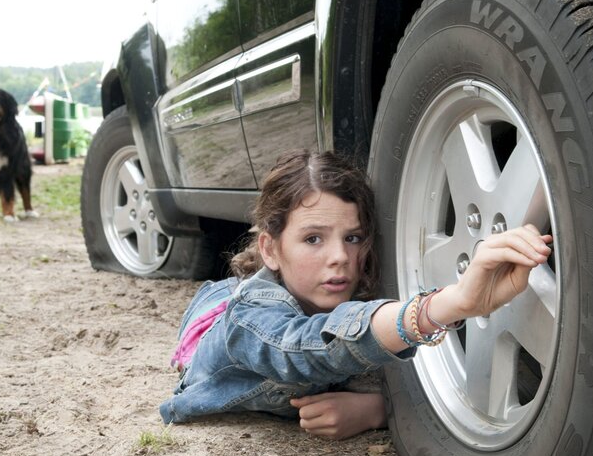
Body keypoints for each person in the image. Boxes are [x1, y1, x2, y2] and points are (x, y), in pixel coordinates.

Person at [160, 149, 552, 440]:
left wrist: (377, 409)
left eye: (353, 238)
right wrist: (452, 303)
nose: (340, 258)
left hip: (302, 304)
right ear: (270, 249)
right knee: (235, 296)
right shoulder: (249, 321)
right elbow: (304, 350)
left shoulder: (361, 289)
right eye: (313, 238)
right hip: (216, 317)